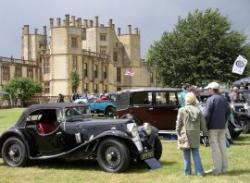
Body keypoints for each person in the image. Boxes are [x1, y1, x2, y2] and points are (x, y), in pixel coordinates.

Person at [176, 92, 208, 176]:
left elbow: (178, 123)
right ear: (194, 100)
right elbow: (203, 124)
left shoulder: (181, 110)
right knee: (196, 153)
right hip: (195, 133)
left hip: (185, 133)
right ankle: (199, 172)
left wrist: (177, 132)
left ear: (186, 100)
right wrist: (205, 134)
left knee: (186, 154)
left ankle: (187, 173)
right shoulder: (198, 110)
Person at [204, 82, 229, 174]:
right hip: (222, 127)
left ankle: (217, 169)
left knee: (215, 148)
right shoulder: (224, 99)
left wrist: (204, 126)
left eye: (208, 89)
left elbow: (206, 115)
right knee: (222, 147)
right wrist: (224, 121)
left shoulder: (210, 99)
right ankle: (224, 168)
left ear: (211, 89)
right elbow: (228, 112)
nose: (207, 90)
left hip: (213, 127)